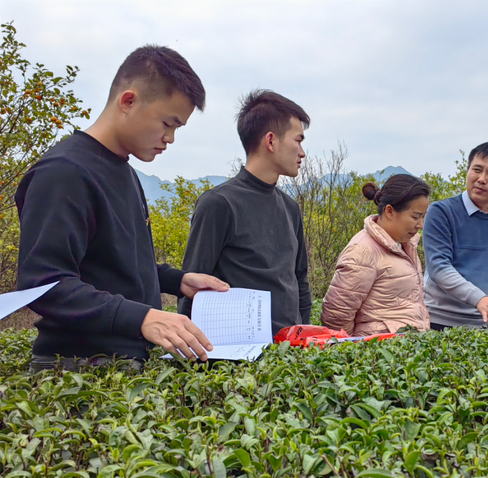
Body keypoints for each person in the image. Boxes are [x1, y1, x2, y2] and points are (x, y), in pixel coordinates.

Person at [15, 45, 229, 370]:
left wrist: (178, 281)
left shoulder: (126, 172)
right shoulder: (64, 172)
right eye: (167, 123)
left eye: (177, 129)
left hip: (126, 365)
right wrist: (142, 317)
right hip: (77, 369)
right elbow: (43, 284)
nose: (170, 138)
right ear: (128, 101)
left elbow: (116, 264)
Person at [179, 90, 312, 335]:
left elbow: (299, 279)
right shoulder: (219, 204)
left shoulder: (290, 208)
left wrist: (302, 335)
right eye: (298, 140)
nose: (302, 152)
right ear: (271, 141)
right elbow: (191, 286)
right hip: (237, 359)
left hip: (291, 354)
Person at [423, 141, 488, 329]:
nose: (481, 179)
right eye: (477, 170)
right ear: (467, 171)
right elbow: (439, 267)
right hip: (438, 321)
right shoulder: (441, 211)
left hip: (484, 325)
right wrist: (480, 299)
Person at [321, 175, 430, 336]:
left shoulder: (406, 246)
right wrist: (358, 350)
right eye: (415, 216)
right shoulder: (363, 251)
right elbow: (337, 316)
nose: (420, 225)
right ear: (390, 211)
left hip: (405, 354)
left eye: (423, 217)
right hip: (378, 355)